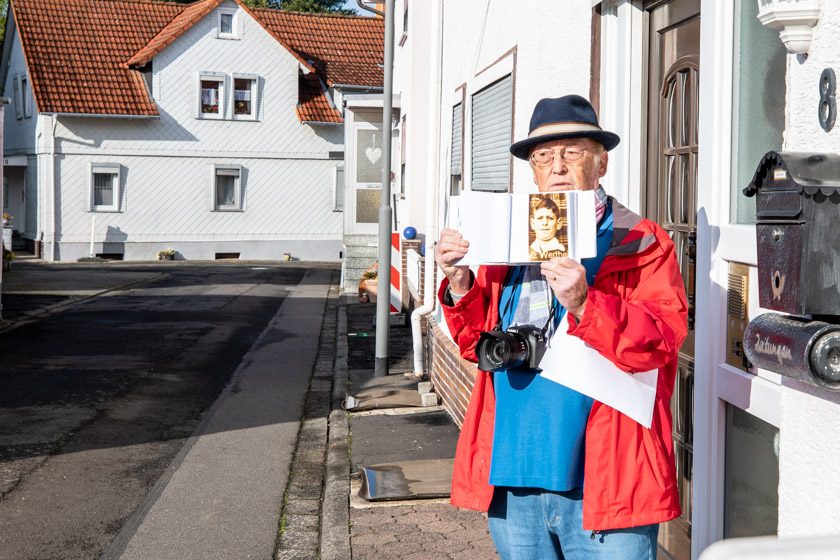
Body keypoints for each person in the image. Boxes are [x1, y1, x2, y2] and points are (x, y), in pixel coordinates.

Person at [435, 94, 688, 559]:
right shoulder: (503, 236)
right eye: (543, 156)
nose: (557, 166)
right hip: (512, 473)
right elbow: (475, 345)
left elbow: (660, 341)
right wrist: (458, 282)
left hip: (606, 479)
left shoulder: (642, 240)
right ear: (532, 170)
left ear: (601, 163)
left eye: (572, 152)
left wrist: (585, 302)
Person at [528, 196, 566, 260]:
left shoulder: (563, 251)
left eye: (550, 218)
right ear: (533, 223)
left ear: (558, 224)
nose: (545, 223)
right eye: (540, 218)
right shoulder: (528, 251)